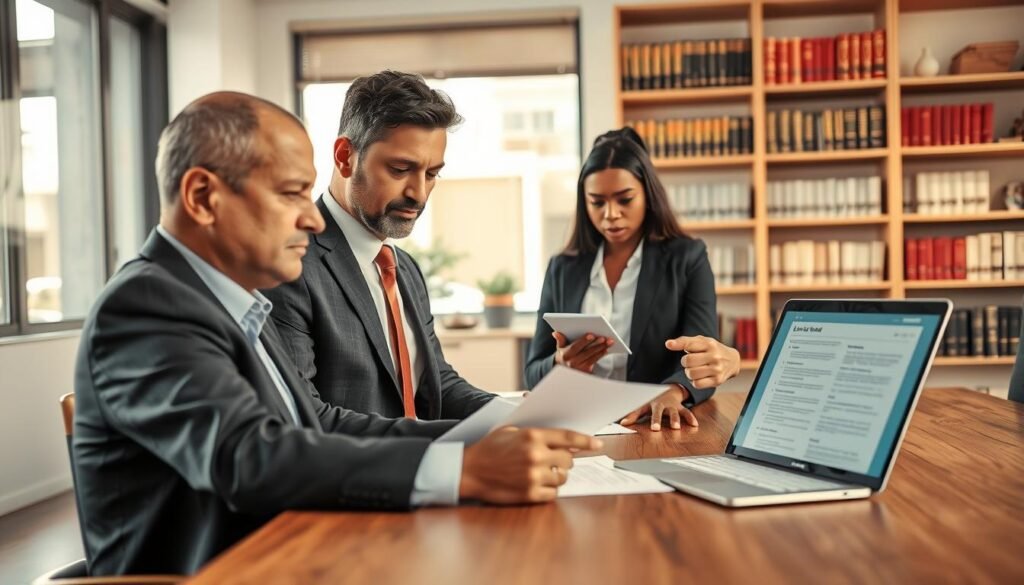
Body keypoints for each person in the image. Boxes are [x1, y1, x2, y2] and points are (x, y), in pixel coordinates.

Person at [72, 91, 600, 576]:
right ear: (204, 197)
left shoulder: (234, 301)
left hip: (296, 550)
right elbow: (249, 456)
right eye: (291, 194)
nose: (315, 219)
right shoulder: (147, 305)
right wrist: (461, 468)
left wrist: (485, 437)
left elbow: (313, 429)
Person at [264, 70, 495, 420]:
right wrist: (443, 445)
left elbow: (436, 384)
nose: (418, 193)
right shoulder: (289, 264)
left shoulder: (404, 269)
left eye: (431, 174)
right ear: (344, 157)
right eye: (401, 169)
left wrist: (519, 417)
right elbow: (307, 416)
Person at [524, 127, 741, 431]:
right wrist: (561, 363)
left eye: (625, 199)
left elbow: (702, 360)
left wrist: (673, 392)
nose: (611, 214)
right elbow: (533, 370)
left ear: (648, 196)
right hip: (579, 423)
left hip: (650, 425)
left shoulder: (687, 257)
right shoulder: (562, 267)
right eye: (597, 202)